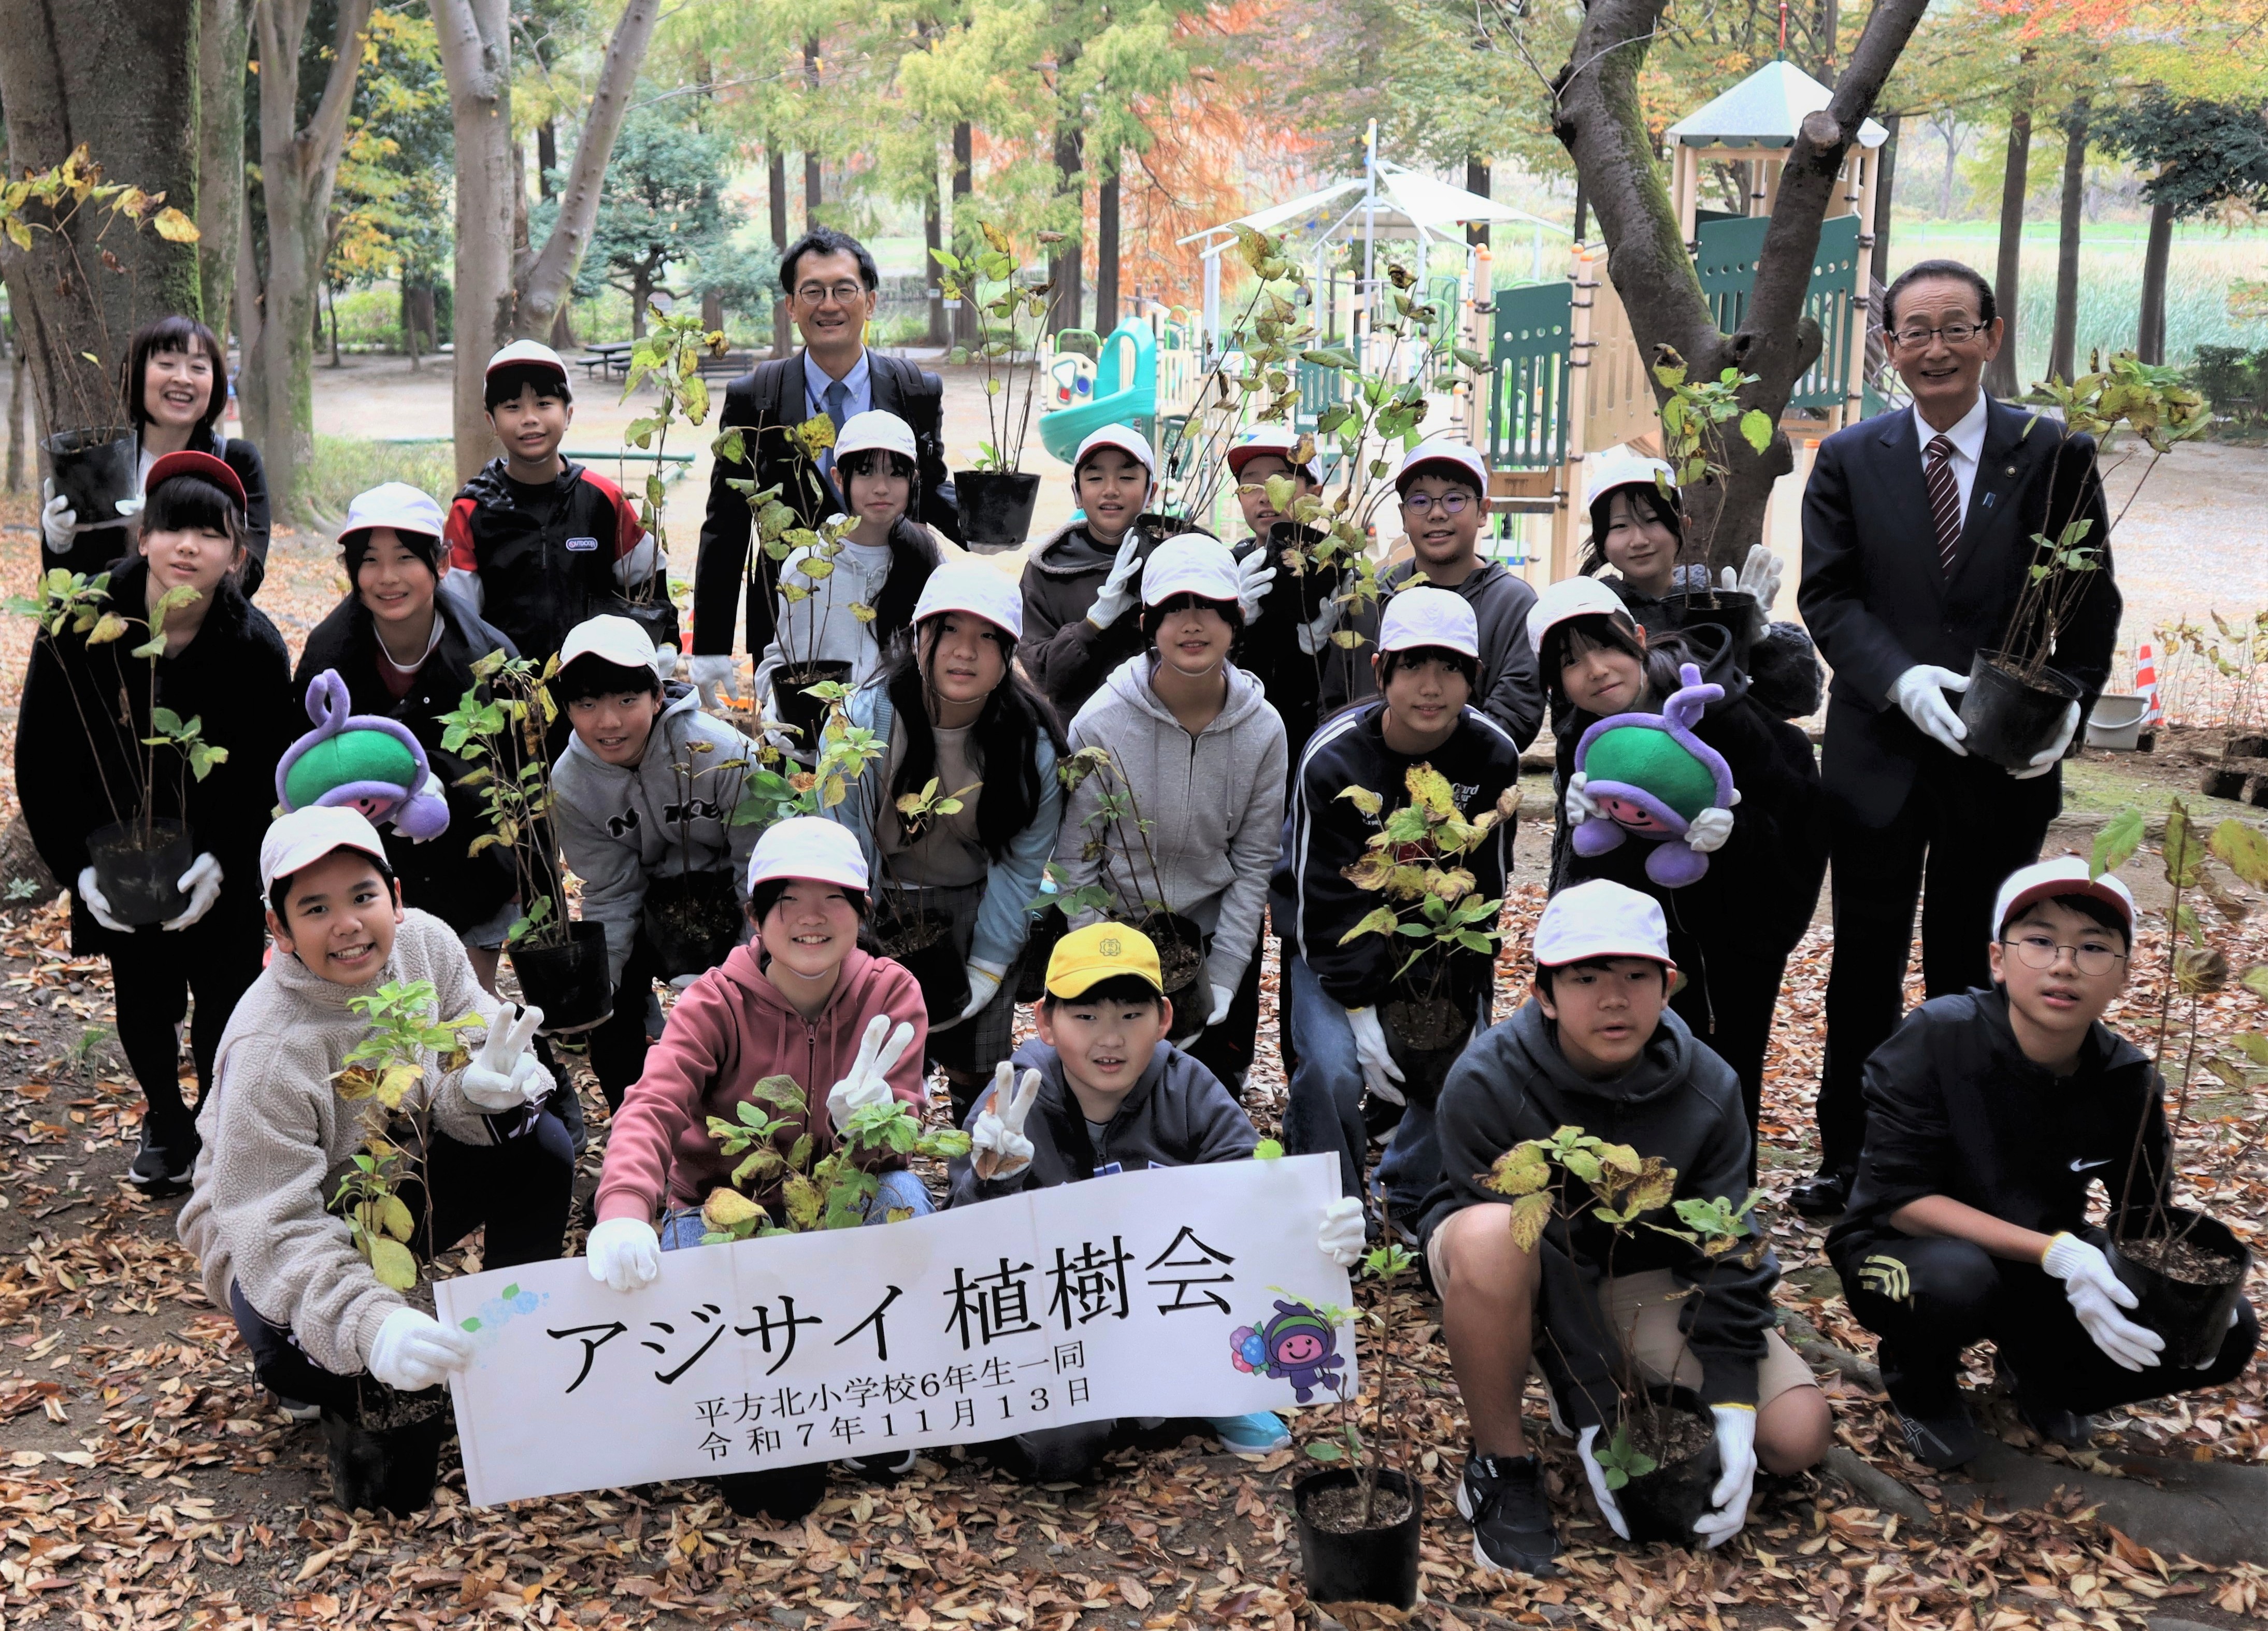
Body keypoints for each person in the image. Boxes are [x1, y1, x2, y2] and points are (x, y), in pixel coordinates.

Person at [1794, 257, 2121, 1217]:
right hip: (1876, 758)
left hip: (1996, 759)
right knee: (1861, 964)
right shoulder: (1849, 457)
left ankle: (1962, 1158)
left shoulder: (2051, 451)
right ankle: (1850, 1156)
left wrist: (2066, 701)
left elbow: (2088, 595)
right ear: (1886, 345)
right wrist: (1897, 678)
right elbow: (1827, 595)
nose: (1933, 348)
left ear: (1989, 332)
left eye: (1953, 326)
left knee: (1970, 962)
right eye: (1913, 331)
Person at [1422, 880, 1831, 1575]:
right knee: (1497, 1236)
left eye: (1636, 976)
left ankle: (1615, 1387)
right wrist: (1595, 1409)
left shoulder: (1709, 1085)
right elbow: (1533, 1246)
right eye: (1585, 978)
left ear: (1667, 986)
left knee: (1795, 1437)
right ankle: (1500, 1465)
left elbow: (1724, 1237)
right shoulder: (1486, 1082)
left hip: (1644, 1276)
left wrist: (1731, 1400)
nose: (1613, 1000)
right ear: (1545, 993)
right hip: (1512, 1268)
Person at [175, 808, 566, 1498]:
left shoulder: (429, 948)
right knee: (313, 1364)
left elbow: (472, 1049)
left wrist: (480, 1091)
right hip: (274, 1224)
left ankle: (513, 1346)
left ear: (396, 896)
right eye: (315, 908)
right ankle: (319, 1359)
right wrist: (370, 1324)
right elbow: (273, 1220)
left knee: (542, 1147)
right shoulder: (270, 1049)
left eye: (363, 896)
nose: (348, 924)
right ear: (280, 929)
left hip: (395, 1177)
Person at [1826, 858, 2258, 1468]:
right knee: (1954, 1281)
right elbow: (1902, 1199)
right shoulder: (1938, 1037)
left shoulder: (2127, 1078)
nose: (2063, 964)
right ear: (1998, 960)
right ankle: (1918, 1381)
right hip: (1904, 1249)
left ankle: (2042, 1375)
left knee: (2230, 1326)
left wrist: (2171, 1300)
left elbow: (2146, 1219)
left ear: (2123, 975)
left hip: (2045, 1261)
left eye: (2092, 947)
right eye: (2039, 941)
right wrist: (2057, 1252)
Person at [583, 817, 930, 1519]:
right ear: (754, 915)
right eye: (786, 899)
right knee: (699, 1342)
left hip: (835, 1200)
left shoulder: (889, 994)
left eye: (834, 898)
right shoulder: (714, 1001)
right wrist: (623, 1211)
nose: (810, 917)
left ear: (862, 912)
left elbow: (904, 1131)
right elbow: (652, 1103)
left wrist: (864, 1127)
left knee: (903, 1202)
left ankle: (879, 1392)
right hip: (721, 1207)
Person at [946, 922, 1366, 1472]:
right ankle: (1152, 1403)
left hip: (1172, 1308)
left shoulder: (1187, 1087)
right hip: (1060, 1322)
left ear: (1164, 1019)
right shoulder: (1012, 1098)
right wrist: (990, 1178)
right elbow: (958, 1250)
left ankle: (1213, 1389)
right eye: (1086, 1016)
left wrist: (1316, 1233)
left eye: (1130, 1015)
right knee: (1060, 1451)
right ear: (1046, 1021)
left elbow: (1252, 1196)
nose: (1110, 1038)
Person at [17, 449, 297, 1194]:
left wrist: (231, 861)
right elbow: (41, 760)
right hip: (118, 851)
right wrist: (74, 865)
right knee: (142, 994)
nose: (187, 547)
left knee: (228, 993)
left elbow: (270, 772)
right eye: (172, 527)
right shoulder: (81, 628)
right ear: (142, 537)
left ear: (237, 555)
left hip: (217, 859)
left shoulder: (257, 647)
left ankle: (214, 1120)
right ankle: (166, 1119)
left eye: (210, 534)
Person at [1529, 577, 1826, 1162]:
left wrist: (1732, 833)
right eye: (1569, 663)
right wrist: (1590, 829)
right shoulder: (1582, 741)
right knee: (1650, 1059)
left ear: (1637, 638)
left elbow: (1796, 813)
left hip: (1739, 929)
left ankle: (1727, 1204)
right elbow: (1600, 864)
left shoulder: (1713, 709)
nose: (1595, 670)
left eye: (1606, 646)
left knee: (1730, 1062)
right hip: (1649, 940)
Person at [1272, 588, 1523, 1225]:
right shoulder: (1332, 759)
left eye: (1450, 668)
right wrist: (1358, 1011)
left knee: (1465, 1066)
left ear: (1475, 677)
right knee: (1329, 1069)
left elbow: (1484, 888)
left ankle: (1411, 1194)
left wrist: (1464, 992)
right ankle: (1330, 1208)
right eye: (1413, 665)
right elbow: (1317, 899)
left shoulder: (1492, 755)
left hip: (1441, 950)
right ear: (1382, 670)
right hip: (1335, 949)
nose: (1431, 686)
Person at [823, 561, 1063, 1120]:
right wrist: (853, 945)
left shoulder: (1032, 747)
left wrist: (985, 968)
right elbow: (842, 844)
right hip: (881, 901)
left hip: (978, 904)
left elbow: (1021, 866)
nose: (964, 651)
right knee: (868, 1065)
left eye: (987, 637)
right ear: (917, 636)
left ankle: (973, 1169)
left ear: (1008, 655)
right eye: (947, 629)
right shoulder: (862, 722)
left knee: (977, 1071)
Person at [1054, 535, 1287, 1092]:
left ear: (1236, 620)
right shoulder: (1101, 724)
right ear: (1148, 623)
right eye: (1175, 607)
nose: (1192, 623)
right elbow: (1074, 864)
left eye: (1209, 606)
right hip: (1116, 927)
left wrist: (1226, 976)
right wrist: (1102, 963)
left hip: (1210, 935)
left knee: (1206, 1095)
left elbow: (1255, 863)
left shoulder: (1264, 730)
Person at [691, 227, 958, 708]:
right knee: (798, 760)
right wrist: (710, 643)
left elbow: (931, 486)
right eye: (811, 291)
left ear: (870, 302)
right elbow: (726, 524)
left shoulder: (915, 388)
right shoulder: (756, 397)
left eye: (843, 289)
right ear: (791, 306)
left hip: (898, 603)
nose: (828, 304)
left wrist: (982, 526)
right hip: (795, 614)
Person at [294, 483, 522, 992]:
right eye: (369, 560)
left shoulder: (490, 657)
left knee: (461, 1018)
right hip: (366, 873)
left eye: (405, 558)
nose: (387, 577)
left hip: (473, 866)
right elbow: (305, 769)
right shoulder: (328, 655)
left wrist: (520, 877)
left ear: (441, 564)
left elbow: (524, 775)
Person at [550, 614, 762, 1108]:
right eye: (586, 703)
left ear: (657, 696)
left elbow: (756, 869)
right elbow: (610, 890)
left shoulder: (723, 753)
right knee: (608, 1008)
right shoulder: (572, 784)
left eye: (627, 700)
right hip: (647, 904)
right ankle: (639, 1118)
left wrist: (746, 964)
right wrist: (607, 981)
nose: (608, 721)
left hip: (728, 899)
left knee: (750, 1013)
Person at [440, 340, 671, 670]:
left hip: (595, 691)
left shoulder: (604, 500)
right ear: (491, 420)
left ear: (568, 414)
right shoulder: (472, 510)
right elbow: (458, 614)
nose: (529, 419)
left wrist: (663, 642)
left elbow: (648, 583)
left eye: (544, 403)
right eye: (512, 407)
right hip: (508, 694)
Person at [1019, 425, 1258, 722]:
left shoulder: (1191, 553)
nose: (1111, 489)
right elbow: (1042, 677)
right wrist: (1092, 626)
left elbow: (1223, 659)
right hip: (1086, 744)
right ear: (1077, 493)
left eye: (1127, 477)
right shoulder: (1048, 569)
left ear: (1151, 493)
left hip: (1184, 729)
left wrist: (1241, 621)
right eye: (1095, 478)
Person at [1320, 439, 1544, 752]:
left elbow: (1515, 718)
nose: (1437, 513)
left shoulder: (1513, 604)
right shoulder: (1371, 596)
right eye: (1420, 501)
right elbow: (1335, 701)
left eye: (1455, 499)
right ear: (1403, 514)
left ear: (1483, 510)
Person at [1576, 450, 1818, 721]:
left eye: (1653, 519)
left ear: (1684, 525)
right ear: (1601, 541)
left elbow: (1802, 700)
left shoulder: (1718, 608)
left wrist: (1761, 639)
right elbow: (1572, 722)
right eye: (1620, 526)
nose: (1639, 540)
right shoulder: (1590, 620)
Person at [42, 316, 273, 595]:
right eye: (166, 364)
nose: (183, 378)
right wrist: (59, 543)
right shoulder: (102, 461)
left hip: (204, 634)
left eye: (198, 368)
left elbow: (249, 574)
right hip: (109, 633)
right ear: (137, 374)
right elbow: (69, 587)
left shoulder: (235, 462)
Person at [751, 409, 944, 721]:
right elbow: (783, 660)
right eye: (866, 472)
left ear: (914, 479)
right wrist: (781, 714)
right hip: (821, 747)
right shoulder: (809, 564)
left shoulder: (930, 563)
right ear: (839, 479)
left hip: (901, 741)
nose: (881, 487)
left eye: (896, 473)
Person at [1224, 425, 1332, 779]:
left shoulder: (1336, 572)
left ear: (1313, 493)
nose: (1265, 495)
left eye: (1281, 480)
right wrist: (1231, 621)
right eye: (1251, 484)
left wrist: (1320, 651)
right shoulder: (1223, 569)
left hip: (1312, 762)